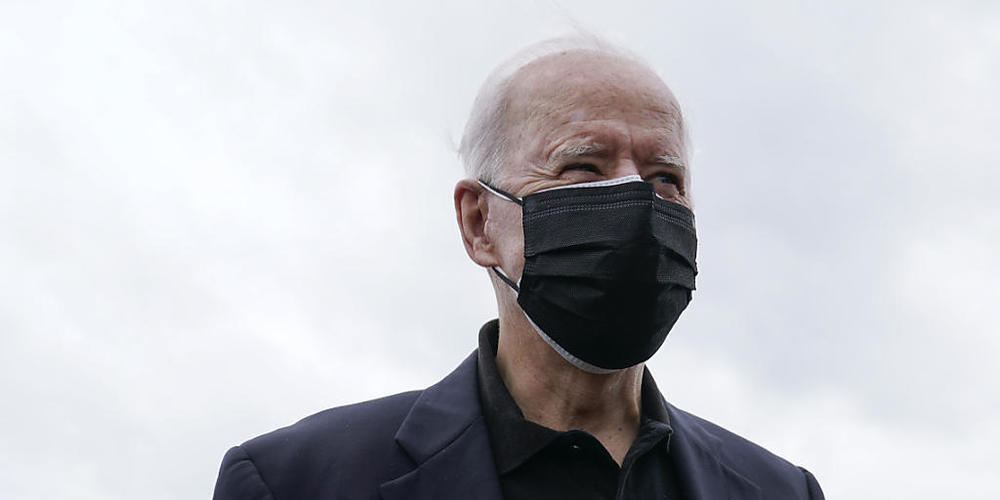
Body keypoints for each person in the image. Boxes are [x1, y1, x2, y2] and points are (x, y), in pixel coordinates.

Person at [213, 35, 825, 500]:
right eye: (583, 168)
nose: (638, 200)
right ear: (480, 222)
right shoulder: (296, 481)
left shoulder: (776, 490)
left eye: (666, 178)